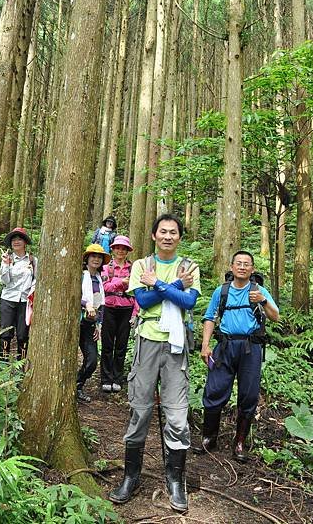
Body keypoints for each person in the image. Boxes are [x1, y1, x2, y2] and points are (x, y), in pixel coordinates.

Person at [109, 214, 201, 512]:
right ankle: (131, 475)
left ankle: (176, 480)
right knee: (140, 410)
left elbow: (188, 303)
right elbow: (143, 302)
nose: (168, 236)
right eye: (163, 231)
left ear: (179, 237)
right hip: (147, 340)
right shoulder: (140, 265)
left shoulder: (190, 266)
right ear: (153, 235)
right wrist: (173, 285)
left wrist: (158, 284)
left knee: (177, 413)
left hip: (177, 348)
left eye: (173, 232)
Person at [194, 250, 279, 463]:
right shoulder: (221, 291)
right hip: (225, 345)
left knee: (249, 395)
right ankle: (208, 437)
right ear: (232, 267)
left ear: (252, 269)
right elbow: (210, 317)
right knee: (214, 389)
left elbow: (275, 317)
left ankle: (239, 442)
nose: (242, 267)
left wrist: (263, 301)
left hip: (251, 348)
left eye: (246, 264)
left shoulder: (259, 291)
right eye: (238, 263)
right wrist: (205, 345)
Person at [101, 235, 137, 393]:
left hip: (126, 309)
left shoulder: (133, 269)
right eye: (117, 248)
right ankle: (105, 378)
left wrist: (135, 312)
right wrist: (120, 283)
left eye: (123, 248)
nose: (120, 251)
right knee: (108, 345)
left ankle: (117, 378)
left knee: (121, 345)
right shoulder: (106, 268)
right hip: (109, 308)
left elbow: (137, 291)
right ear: (113, 249)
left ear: (127, 251)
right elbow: (104, 287)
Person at [77, 243, 110, 402]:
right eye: (93, 256)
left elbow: (101, 303)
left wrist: (99, 324)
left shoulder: (98, 278)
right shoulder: (81, 275)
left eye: (99, 257)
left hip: (90, 323)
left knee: (91, 361)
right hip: (75, 322)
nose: (96, 259)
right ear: (87, 258)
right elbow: (74, 294)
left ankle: (77, 385)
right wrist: (85, 304)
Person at [0, 227, 37, 360]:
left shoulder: (32, 260)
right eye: (13, 239)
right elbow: (4, 281)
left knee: (23, 334)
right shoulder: (7, 258)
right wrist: (5, 264)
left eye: (19, 239)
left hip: (25, 302)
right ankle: (3, 364)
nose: (16, 241)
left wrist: (32, 292)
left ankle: (22, 366)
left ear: (25, 242)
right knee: (6, 334)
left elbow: (36, 279)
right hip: (8, 299)